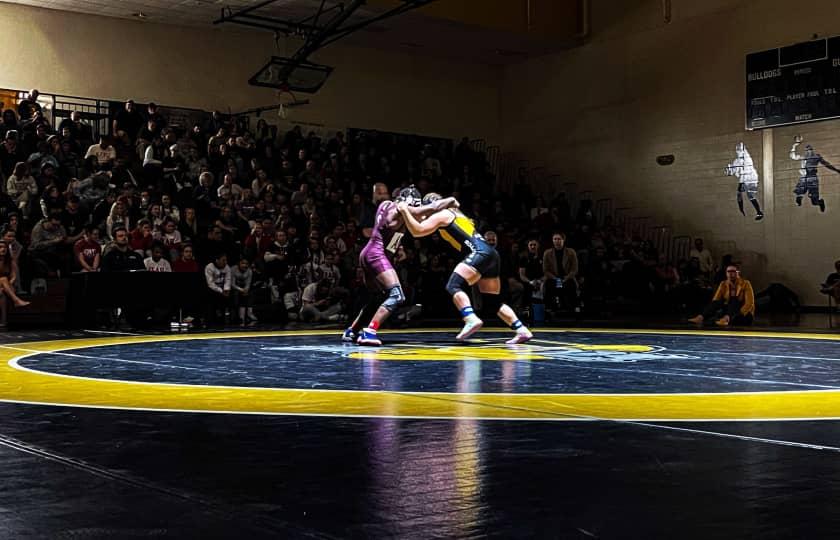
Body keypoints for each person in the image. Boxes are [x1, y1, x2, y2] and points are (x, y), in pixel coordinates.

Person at [397, 192, 533, 344]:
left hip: (478, 252)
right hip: (491, 254)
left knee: (453, 285)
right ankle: (522, 330)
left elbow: (418, 230)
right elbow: (422, 219)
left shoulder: (443, 214)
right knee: (493, 302)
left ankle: (470, 318)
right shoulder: (455, 213)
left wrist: (403, 209)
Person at [342, 185, 457, 346]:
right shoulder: (399, 207)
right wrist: (449, 200)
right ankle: (369, 332)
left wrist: (398, 249)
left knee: (379, 297)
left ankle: (352, 330)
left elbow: (389, 229)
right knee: (397, 295)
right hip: (377, 255)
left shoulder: (386, 205)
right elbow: (426, 210)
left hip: (368, 253)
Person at [688, 264, 755, 326]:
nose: (730, 273)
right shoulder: (723, 284)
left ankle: (726, 319)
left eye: (733, 271)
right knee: (717, 302)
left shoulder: (746, 283)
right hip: (729, 310)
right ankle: (700, 317)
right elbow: (715, 300)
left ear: (738, 273)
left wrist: (739, 313)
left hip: (743, 313)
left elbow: (749, 303)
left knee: (735, 301)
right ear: (726, 273)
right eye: (728, 271)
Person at [790, 135, 840, 212]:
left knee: (814, 201)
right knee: (799, 192)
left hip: (812, 178)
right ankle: (799, 198)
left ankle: (819, 202)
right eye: (807, 150)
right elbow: (793, 156)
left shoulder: (816, 157)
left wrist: (836, 170)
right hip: (804, 177)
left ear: (812, 150)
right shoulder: (803, 157)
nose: (808, 152)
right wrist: (794, 146)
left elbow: (827, 164)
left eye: (809, 150)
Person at [724, 142, 763, 220]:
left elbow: (748, 170)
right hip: (743, 179)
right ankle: (741, 209)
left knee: (750, 195)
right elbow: (733, 171)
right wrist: (729, 171)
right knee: (739, 193)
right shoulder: (736, 161)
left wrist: (739, 172)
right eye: (737, 150)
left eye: (740, 149)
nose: (738, 151)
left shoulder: (748, 159)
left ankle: (759, 212)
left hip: (751, 179)